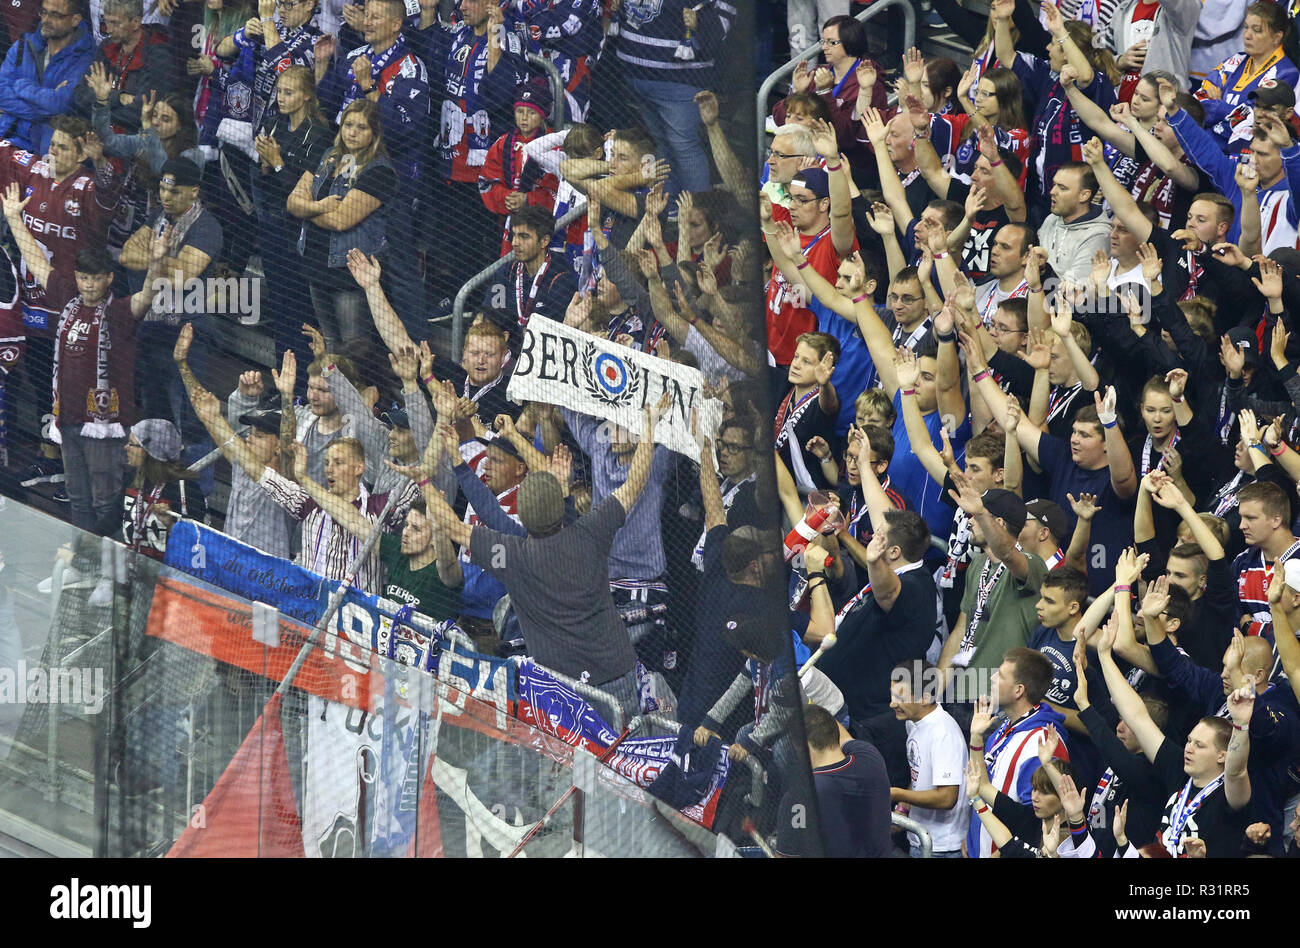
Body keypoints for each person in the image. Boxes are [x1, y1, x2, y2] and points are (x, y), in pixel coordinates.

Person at [420, 395, 672, 718]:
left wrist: (428, 479)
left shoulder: (513, 556)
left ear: (522, 516)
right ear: (561, 502)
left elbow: (456, 528)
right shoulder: (592, 532)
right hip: (615, 679)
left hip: (559, 691)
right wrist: (648, 429)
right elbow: (634, 484)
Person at [3, 182, 164, 534]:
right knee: (77, 496)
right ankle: (81, 561)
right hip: (68, 417)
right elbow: (34, 258)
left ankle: (105, 563)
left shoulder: (120, 312)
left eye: (94, 279)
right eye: (83, 278)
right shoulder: (67, 297)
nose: (88, 285)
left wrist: (156, 264)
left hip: (106, 423)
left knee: (104, 499)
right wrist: (15, 219)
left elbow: (148, 295)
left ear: (108, 279)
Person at [1093, 619, 1255, 856]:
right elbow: (1137, 717)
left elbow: (1237, 771)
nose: (1189, 748)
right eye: (1189, 741)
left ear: (1223, 755)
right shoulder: (1178, 769)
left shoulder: (1230, 796)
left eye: (1199, 745)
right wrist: (1105, 657)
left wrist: (1241, 724)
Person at [807, 506, 937, 726]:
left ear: (894, 552)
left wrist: (874, 561)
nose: (872, 538)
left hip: (867, 719)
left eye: (879, 536)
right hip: (842, 706)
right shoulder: (899, 573)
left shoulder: (916, 586)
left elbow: (889, 592)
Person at [177, 329, 295, 560]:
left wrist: (288, 396)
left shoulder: (287, 480)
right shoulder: (242, 467)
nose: (250, 439)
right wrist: (182, 364)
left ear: (279, 446)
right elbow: (204, 410)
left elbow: (289, 443)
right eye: (251, 433)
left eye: (260, 436)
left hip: (268, 576)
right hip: (230, 565)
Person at [288, 98, 397, 348]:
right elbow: (292, 202)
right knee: (327, 346)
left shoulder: (379, 171)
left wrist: (307, 209)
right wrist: (319, 207)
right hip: (316, 263)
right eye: (348, 125)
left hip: (350, 272)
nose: (353, 133)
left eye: (362, 127)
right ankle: (330, 388)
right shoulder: (328, 156)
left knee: (353, 349)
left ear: (375, 133)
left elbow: (341, 221)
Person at [613, 0, 734, 199]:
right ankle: (670, 207)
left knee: (683, 146)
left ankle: (698, 212)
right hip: (636, 76)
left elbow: (724, 20)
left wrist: (699, 25)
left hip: (680, 82)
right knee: (662, 142)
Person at [938, 483, 1048, 702]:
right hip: (962, 691)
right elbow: (961, 630)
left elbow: (1007, 554)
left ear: (997, 523)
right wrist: (937, 691)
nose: (969, 522)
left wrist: (981, 513)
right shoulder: (977, 565)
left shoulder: (1032, 565)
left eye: (976, 517)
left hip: (1000, 697)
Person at [252, 65, 332, 355]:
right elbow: (266, 180)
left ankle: (304, 381)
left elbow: (307, 190)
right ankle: (283, 374)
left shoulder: (320, 135)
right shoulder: (275, 123)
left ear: (306, 96)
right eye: (279, 91)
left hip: (299, 232)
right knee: (279, 305)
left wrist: (276, 162)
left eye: (288, 92)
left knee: (299, 306)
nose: (281, 98)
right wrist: (264, 165)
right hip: (272, 224)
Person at [966, 649, 1069, 857]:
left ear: (1018, 690)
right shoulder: (1005, 727)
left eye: (1001, 675)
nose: (993, 677)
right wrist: (971, 835)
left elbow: (1036, 822)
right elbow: (979, 784)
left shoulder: (1040, 742)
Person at [773, 703, 893, 858]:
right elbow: (843, 736)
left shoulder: (799, 797)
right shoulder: (870, 757)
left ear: (801, 746)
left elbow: (787, 856)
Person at [889, 663, 968, 857]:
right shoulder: (913, 722)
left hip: (942, 848)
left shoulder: (943, 734)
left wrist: (896, 794)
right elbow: (920, 775)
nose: (892, 703)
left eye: (900, 697)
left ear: (925, 698)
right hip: (920, 836)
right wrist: (902, 809)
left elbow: (947, 798)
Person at [1195, 0, 1298, 149]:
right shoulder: (1236, 59)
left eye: (1256, 30)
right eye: (1246, 28)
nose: (1247, 35)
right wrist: (1234, 110)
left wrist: (1215, 106)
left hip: (1243, 153)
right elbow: (1198, 100)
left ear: (1277, 37)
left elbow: (1253, 119)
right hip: (1206, 143)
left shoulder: (1286, 73)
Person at [0, 0, 96, 152]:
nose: (46, 20)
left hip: (48, 149)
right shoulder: (22, 46)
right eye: (44, 12)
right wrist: (44, 112)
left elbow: (61, 105)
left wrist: (20, 86)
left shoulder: (85, 58)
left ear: (75, 20)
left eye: (56, 15)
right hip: (8, 135)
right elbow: (1, 93)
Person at [478, 80, 558, 258]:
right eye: (520, 111)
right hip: (504, 222)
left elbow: (556, 190)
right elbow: (486, 181)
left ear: (543, 115)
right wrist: (506, 197)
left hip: (540, 225)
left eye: (531, 113)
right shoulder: (503, 143)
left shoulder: (553, 146)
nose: (524, 117)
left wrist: (528, 199)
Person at [73, 0, 176, 132]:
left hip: (136, 140)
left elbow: (142, 112)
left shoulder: (157, 56)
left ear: (136, 22)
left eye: (115, 23)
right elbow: (80, 95)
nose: (108, 29)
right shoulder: (107, 47)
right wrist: (119, 98)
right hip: (99, 134)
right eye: (107, 22)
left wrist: (101, 102)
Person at [480, 204, 578, 335]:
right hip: (505, 346)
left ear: (544, 241)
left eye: (524, 236)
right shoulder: (507, 271)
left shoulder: (561, 279)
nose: (515, 242)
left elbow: (548, 334)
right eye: (514, 235)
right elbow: (491, 316)